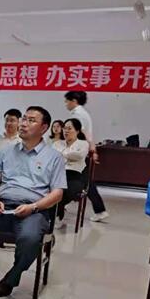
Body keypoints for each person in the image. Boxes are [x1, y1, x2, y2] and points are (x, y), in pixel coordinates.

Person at [0, 106, 67, 297]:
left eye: (31, 120)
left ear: (44, 128)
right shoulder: (6, 151)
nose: (24, 123)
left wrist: (33, 206)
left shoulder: (54, 157)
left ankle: (11, 278)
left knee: (29, 239)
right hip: (3, 207)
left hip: (34, 211)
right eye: (24, 119)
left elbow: (58, 193)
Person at [64, 90, 109, 222]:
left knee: (84, 181)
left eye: (67, 101)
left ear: (74, 101)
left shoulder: (78, 114)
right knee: (83, 180)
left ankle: (100, 210)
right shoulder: (82, 113)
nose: (66, 104)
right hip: (82, 149)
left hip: (79, 151)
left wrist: (92, 149)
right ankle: (62, 203)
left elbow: (83, 133)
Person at [53, 118, 89, 229]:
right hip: (58, 174)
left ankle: (58, 215)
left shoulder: (83, 144)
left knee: (64, 190)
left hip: (75, 175)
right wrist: (68, 154)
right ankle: (51, 215)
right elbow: (52, 156)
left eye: (69, 128)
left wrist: (62, 154)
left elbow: (79, 155)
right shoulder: (57, 143)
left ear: (77, 131)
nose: (66, 131)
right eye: (64, 128)